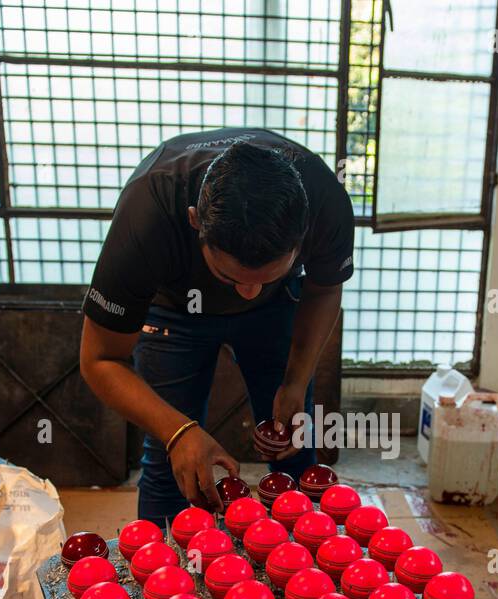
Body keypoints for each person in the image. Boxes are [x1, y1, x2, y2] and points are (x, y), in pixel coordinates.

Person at [79, 128, 354, 526]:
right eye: (231, 277)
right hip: (176, 308)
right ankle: (168, 561)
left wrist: (296, 381)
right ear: (195, 222)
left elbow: (326, 289)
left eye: (264, 277)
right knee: (174, 461)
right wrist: (177, 431)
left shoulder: (325, 199)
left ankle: (300, 554)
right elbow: (99, 359)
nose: (247, 293)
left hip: (278, 306)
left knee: (293, 445)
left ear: (303, 235)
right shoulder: (149, 212)